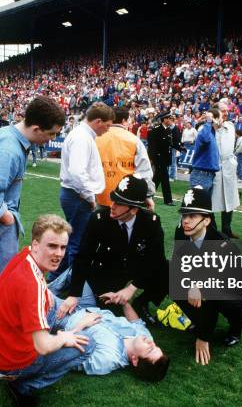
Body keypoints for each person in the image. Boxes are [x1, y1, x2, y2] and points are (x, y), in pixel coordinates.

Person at [0, 214, 95, 405]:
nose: (59, 253)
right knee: (88, 344)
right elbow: (44, 346)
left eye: (63, 247)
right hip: (9, 361)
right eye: (52, 246)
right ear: (36, 244)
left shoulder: (25, 256)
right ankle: (22, 385)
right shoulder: (31, 286)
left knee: (50, 303)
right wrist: (67, 335)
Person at [0, 96, 65, 307]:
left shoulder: (9, 137)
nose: (51, 138)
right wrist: (7, 217)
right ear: (36, 128)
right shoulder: (8, 149)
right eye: (51, 134)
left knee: (1, 287)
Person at [54, 175, 168, 325]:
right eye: (113, 199)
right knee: (91, 312)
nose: (112, 206)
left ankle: (141, 304)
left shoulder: (150, 222)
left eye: (119, 203)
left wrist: (131, 289)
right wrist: (75, 294)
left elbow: (156, 259)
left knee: (167, 268)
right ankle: (53, 288)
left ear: (134, 209)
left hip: (130, 272)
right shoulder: (99, 219)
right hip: (101, 273)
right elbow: (83, 257)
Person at [172, 186, 242, 365]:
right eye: (184, 215)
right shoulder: (181, 233)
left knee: (221, 300)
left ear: (206, 221)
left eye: (192, 216)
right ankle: (199, 319)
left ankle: (236, 327)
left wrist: (203, 337)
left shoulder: (220, 243)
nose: (186, 221)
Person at [55, 102, 114, 279]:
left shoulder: (82, 135)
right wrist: (89, 196)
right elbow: (77, 172)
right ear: (98, 121)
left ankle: (57, 280)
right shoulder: (82, 137)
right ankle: (75, 287)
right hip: (77, 196)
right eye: (108, 125)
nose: (108, 130)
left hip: (75, 195)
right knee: (77, 243)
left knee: (72, 240)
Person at [63, 305, 169, 381]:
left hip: (66, 318)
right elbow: (137, 322)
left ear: (135, 360)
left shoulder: (107, 359)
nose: (151, 342)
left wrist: (81, 325)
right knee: (80, 275)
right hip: (88, 305)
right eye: (155, 346)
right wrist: (124, 303)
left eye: (150, 349)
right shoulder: (146, 337)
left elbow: (67, 361)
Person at [95, 106, 155, 210]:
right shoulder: (134, 140)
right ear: (124, 120)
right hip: (126, 197)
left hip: (99, 194)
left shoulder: (96, 137)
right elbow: (144, 170)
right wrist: (148, 195)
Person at [213, 101, 242, 239]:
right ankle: (212, 231)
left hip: (229, 167)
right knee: (213, 200)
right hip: (214, 167)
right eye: (222, 111)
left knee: (229, 199)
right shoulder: (210, 127)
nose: (225, 113)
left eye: (226, 111)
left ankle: (227, 229)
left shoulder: (231, 126)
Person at [148, 111, 176, 206]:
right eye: (169, 118)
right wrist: (152, 158)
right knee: (164, 179)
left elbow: (169, 145)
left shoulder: (168, 130)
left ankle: (148, 196)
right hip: (158, 158)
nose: (170, 120)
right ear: (164, 119)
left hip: (165, 159)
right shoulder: (155, 131)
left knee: (158, 178)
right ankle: (168, 200)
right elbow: (152, 146)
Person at [190, 111, 221, 194]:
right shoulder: (204, 131)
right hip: (201, 174)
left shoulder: (211, 133)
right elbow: (205, 139)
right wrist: (208, 122)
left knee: (205, 204)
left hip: (208, 174)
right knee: (197, 204)